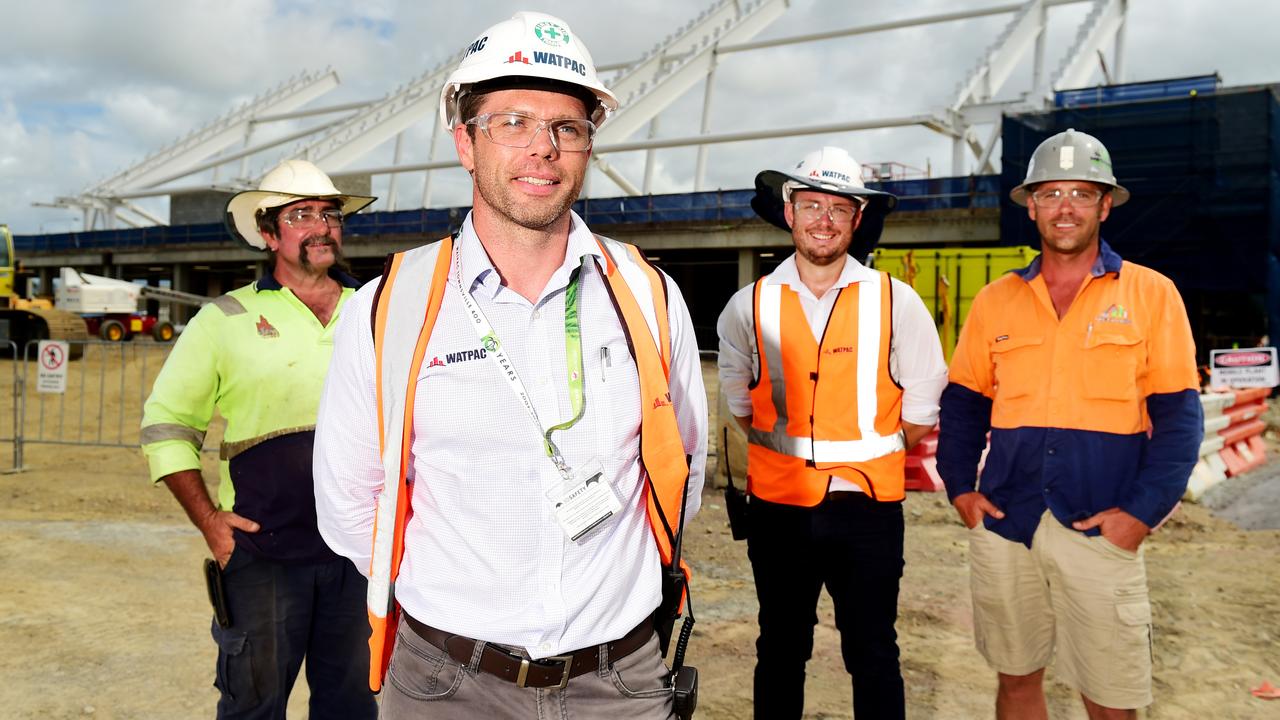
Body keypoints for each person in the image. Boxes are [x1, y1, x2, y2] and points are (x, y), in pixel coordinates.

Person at [312, 11, 707, 719]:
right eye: (513, 122)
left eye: (568, 128)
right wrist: (463, 598)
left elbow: (683, 470)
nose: (543, 149)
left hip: (621, 684)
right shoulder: (389, 307)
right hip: (447, 685)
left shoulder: (648, 295)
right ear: (465, 142)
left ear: (587, 146)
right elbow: (348, 503)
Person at [936, 128, 1203, 720]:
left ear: (1105, 205)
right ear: (1030, 205)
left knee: (1111, 700)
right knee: (1016, 681)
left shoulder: (1151, 295)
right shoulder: (995, 301)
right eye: (1051, 193)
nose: (1065, 208)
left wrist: (1141, 514)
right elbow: (962, 404)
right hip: (1007, 524)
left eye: (1081, 193)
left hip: (1100, 527)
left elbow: (1181, 419)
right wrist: (960, 489)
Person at [140, 159, 378, 720]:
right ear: (269, 234)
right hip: (263, 554)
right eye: (301, 216)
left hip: (361, 558)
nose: (322, 227)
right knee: (253, 707)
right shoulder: (225, 318)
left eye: (330, 214)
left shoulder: (374, 310)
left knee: (353, 706)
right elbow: (167, 424)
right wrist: (209, 522)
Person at [716, 146, 947, 719]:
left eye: (838, 208)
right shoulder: (750, 305)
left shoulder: (898, 301)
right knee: (780, 651)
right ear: (789, 211)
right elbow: (739, 398)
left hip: (866, 512)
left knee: (872, 653)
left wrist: (864, 456)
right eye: (811, 205)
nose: (824, 219)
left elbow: (922, 406)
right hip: (777, 510)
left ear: (857, 218)